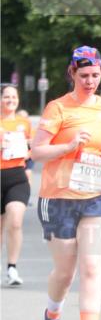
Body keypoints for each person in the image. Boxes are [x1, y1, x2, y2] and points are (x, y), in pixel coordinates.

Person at [31, 46, 101, 320]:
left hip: (98, 194)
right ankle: (53, 315)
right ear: (72, 73)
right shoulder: (57, 108)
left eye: (96, 76)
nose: (90, 81)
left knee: (91, 265)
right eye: (84, 75)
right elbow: (37, 152)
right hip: (59, 197)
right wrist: (68, 146)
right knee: (65, 270)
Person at [1, 85, 32, 286]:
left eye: (14, 96)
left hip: (17, 177)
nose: (10, 100)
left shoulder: (24, 123)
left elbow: (33, 149)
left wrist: (26, 150)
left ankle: (12, 267)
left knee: (15, 221)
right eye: (6, 96)